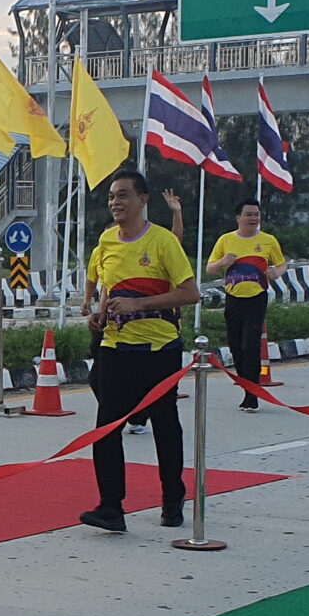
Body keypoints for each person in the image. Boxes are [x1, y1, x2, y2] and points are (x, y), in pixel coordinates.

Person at [80, 169, 199, 532]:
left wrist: (139, 305)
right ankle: (111, 507)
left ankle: (171, 498)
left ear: (143, 200)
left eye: (124, 195)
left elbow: (190, 293)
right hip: (116, 348)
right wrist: (98, 316)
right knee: (106, 428)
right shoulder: (106, 241)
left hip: (159, 348)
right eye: (112, 196)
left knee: (165, 426)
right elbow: (106, 289)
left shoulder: (163, 242)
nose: (116, 202)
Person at [205, 198, 286, 412]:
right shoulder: (226, 240)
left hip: (257, 298)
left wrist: (276, 273)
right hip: (233, 299)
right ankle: (246, 386)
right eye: (249, 214)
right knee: (236, 348)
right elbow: (210, 269)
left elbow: (281, 263)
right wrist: (223, 263)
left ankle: (253, 394)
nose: (253, 218)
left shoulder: (268, 240)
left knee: (250, 346)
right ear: (238, 217)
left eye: (256, 214)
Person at [128, 189, 194, 433]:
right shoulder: (111, 250)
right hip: (122, 333)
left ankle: (141, 417)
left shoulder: (159, 247)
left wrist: (176, 213)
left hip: (160, 328)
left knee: (158, 394)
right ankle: (134, 414)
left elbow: (174, 239)